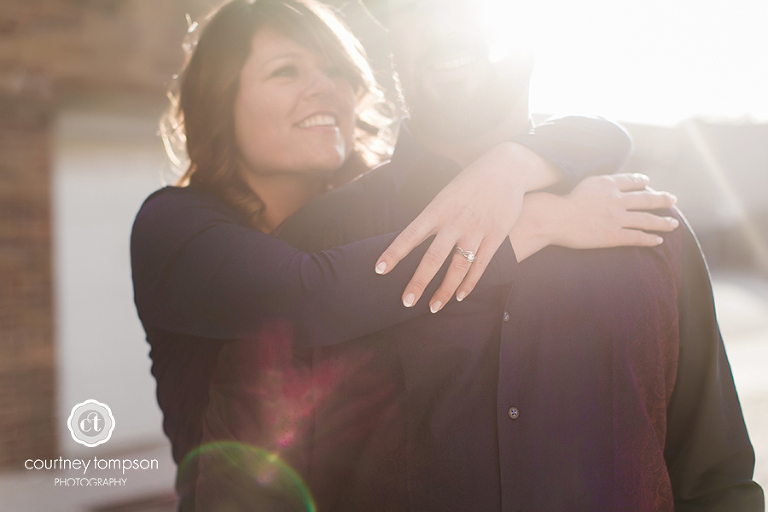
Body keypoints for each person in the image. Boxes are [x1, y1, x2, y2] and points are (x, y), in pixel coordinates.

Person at [128, 0, 690, 510]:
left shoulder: (374, 212)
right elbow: (305, 294)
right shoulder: (174, 226)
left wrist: (514, 164)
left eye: (338, 72)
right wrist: (538, 219)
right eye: (286, 71)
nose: (325, 89)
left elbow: (597, 133)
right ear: (217, 102)